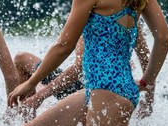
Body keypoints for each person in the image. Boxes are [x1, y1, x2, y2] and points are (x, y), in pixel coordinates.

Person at [8, 0, 168, 126]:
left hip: (107, 94)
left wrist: (31, 82)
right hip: (104, 91)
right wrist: (147, 82)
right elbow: (163, 38)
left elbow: (64, 45)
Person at [13, 27, 154, 119]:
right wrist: (148, 100)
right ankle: (22, 116)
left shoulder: (92, 12)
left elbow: (77, 69)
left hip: (89, 90)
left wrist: (40, 96)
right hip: (90, 83)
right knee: (21, 58)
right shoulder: (131, 12)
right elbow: (147, 60)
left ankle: (27, 117)